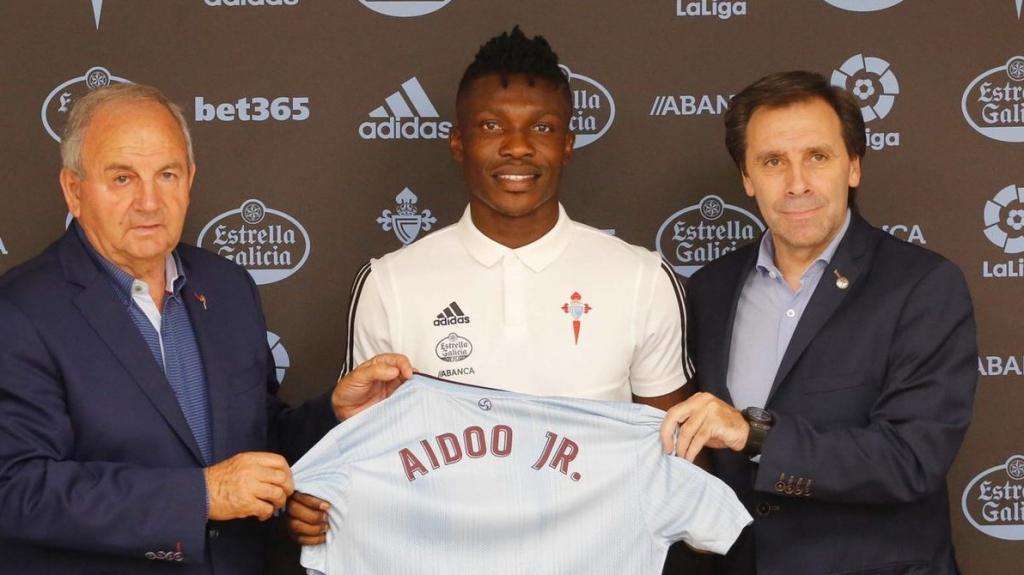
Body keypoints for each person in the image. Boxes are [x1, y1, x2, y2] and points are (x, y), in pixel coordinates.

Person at [287, 25, 692, 546]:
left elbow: (675, 459)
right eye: (491, 125)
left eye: (542, 128)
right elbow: (360, 453)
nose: (518, 147)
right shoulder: (391, 281)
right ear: (458, 142)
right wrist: (321, 501)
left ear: (568, 144)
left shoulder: (640, 277)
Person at [0, 83, 412, 575]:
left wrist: (333, 413)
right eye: (122, 178)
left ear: (190, 180)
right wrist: (201, 495)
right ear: (74, 190)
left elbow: (256, 440)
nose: (149, 202)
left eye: (167, 175)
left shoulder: (227, 287)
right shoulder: (21, 310)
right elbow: (17, 488)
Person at [659, 71, 978, 574]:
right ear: (747, 178)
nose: (797, 184)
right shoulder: (708, 290)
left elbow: (910, 459)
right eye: (772, 161)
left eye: (817, 157)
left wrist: (754, 435)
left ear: (853, 166)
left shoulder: (923, 286)